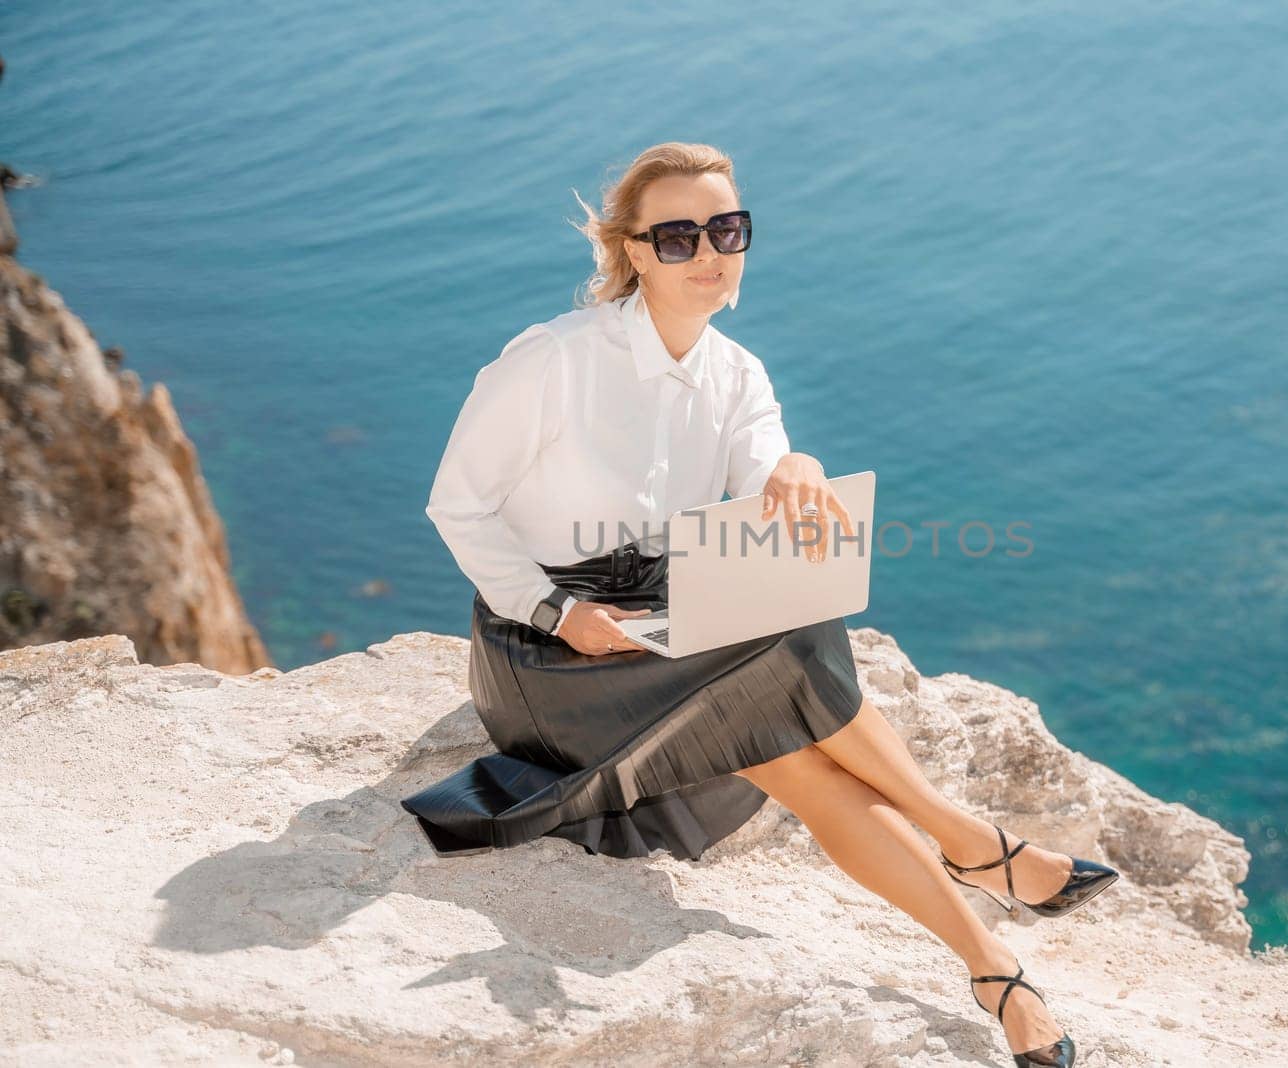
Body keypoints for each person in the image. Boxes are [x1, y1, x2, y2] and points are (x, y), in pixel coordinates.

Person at [399, 141, 1118, 1067]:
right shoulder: (552, 361)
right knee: (788, 647)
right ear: (630, 251)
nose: (708, 252)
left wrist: (795, 468)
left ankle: (993, 965)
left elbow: (762, 473)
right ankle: (971, 843)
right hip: (549, 654)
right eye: (678, 235)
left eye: (727, 229)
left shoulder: (738, 373)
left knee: (798, 736)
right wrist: (552, 613)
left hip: (668, 624)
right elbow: (455, 503)